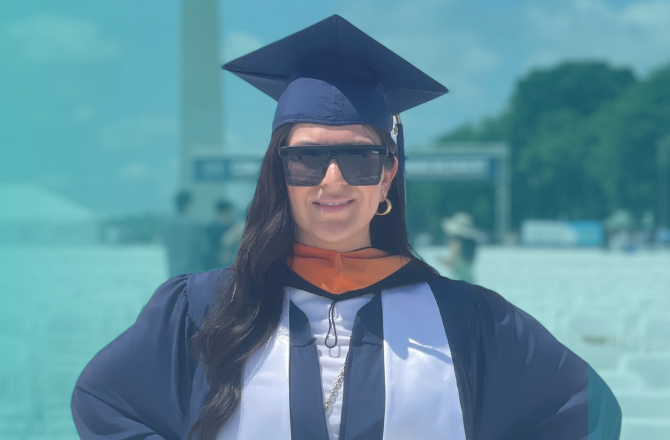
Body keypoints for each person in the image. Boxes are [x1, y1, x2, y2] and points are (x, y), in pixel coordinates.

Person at [72, 15, 621, 440]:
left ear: (388, 177)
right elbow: (106, 405)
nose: (332, 182)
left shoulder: (469, 320)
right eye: (308, 160)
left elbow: (585, 414)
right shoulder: (204, 308)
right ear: (279, 173)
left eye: (360, 160)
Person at [161, 191, 207, 277]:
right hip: (191, 273)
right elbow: (203, 248)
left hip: (173, 273)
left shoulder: (166, 223)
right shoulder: (194, 223)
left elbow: (165, 243)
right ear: (188, 204)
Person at [439, 211, 480, 283]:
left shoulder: (456, 242)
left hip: (459, 280)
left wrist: (440, 260)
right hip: (469, 279)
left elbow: (450, 262)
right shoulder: (471, 243)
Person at [204, 200, 236, 270]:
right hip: (214, 265)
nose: (230, 216)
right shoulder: (211, 229)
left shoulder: (232, 227)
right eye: (228, 213)